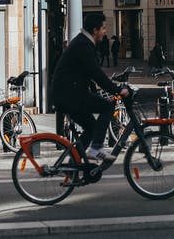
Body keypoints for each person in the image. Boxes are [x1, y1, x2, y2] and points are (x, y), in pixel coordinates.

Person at [51, 12, 129, 162]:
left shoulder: (82, 42)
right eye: (103, 28)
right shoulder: (84, 45)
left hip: (67, 94)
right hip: (70, 96)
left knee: (92, 127)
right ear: (95, 30)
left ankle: (73, 164)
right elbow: (96, 74)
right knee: (107, 107)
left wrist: (105, 89)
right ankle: (96, 148)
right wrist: (118, 90)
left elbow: (87, 73)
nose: (105, 32)